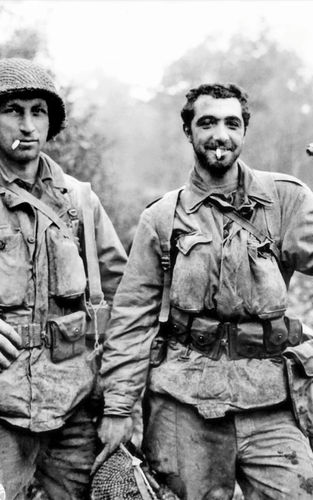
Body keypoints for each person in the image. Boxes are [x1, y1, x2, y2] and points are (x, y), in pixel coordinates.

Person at [96, 82, 313, 500]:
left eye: (231, 123)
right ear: (188, 132)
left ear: (244, 131)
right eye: (207, 123)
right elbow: (132, 320)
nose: (220, 134)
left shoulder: (285, 199)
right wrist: (118, 408)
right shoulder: (162, 218)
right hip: (184, 405)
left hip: (271, 402)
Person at [0, 58, 127, 499]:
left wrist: (120, 400)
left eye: (38, 111)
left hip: (74, 402)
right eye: (14, 110)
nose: (28, 124)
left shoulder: (80, 200)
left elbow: (127, 297)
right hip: (3, 407)